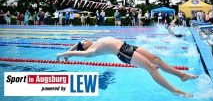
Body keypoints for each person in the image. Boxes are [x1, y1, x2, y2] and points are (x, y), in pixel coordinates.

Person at [56, 37, 197, 97]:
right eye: (84, 42)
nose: (86, 40)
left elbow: (76, 46)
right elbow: (76, 52)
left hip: (127, 46)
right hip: (123, 52)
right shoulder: (89, 52)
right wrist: (62, 54)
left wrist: (71, 48)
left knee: (156, 60)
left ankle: (181, 75)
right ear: (84, 48)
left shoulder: (91, 45)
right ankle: (174, 90)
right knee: (151, 68)